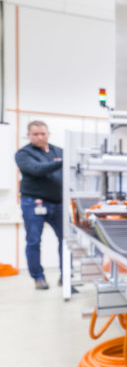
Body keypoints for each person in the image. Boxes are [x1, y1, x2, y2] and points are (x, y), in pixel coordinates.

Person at [15, 120, 63, 290]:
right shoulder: (23, 154)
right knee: (34, 241)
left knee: (66, 240)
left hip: (58, 203)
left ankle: (66, 276)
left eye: (43, 133)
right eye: (35, 134)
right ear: (28, 135)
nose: (40, 137)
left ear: (48, 134)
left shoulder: (58, 151)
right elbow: (37, 169)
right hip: (33, 203)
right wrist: (61, 161)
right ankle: (38, 277)